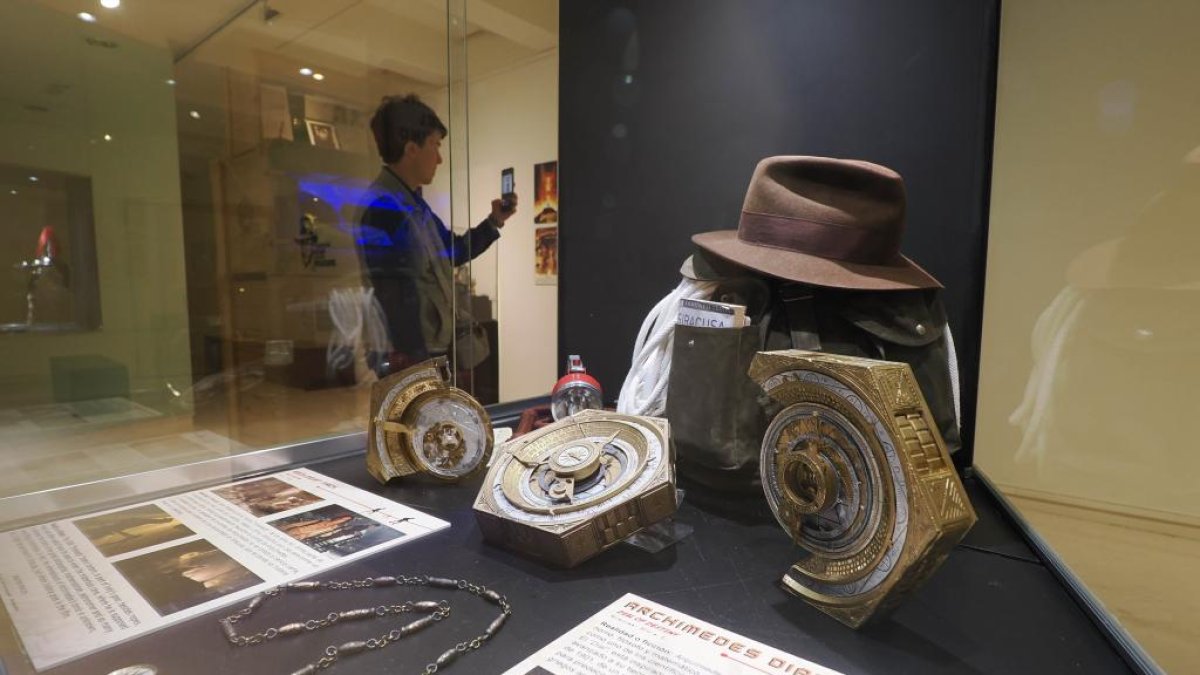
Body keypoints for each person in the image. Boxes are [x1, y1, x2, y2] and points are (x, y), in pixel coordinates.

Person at [356, 94, 516, 373]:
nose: (440, 158)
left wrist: (493, 222)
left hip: (425, 354)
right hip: (410, 360)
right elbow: (393, 298)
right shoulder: (384, 209)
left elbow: (451, 251)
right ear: (411, 149)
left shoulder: (412, 205)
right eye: (435, 145)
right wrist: (419, 368)